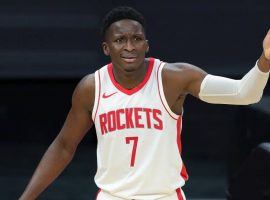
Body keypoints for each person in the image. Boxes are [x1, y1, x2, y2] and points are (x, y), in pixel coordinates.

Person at [19, 6, 270, 200]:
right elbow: (64, 146)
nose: (129, 46)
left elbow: (244, 93)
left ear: (146, 44)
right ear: (106, 48)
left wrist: (266, 57)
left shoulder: (174, 77)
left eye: (136, 39)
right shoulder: (91, 87)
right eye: (120, 40)